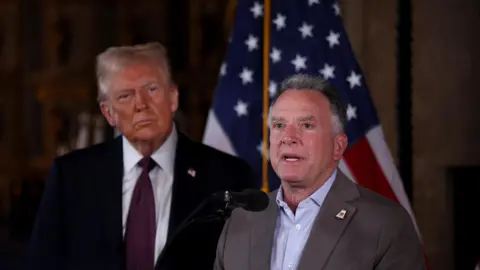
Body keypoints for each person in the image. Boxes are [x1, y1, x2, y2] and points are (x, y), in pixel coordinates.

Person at [26, 42, 256, 270]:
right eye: (125, 96)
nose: (141, 104)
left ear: (173, 97)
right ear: (109, 113)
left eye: (152, 89)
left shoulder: (227, 175)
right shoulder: (72, 178)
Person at [214, 74, 426, 270]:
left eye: (306, 125)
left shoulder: (385, 224)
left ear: (338, 146)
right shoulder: (240, 222)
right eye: (279, 125)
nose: (288, 137)